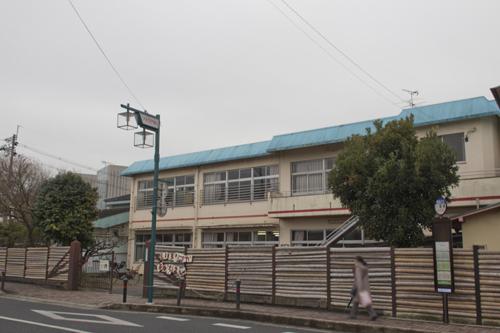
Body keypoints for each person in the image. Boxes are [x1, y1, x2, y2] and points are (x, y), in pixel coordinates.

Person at [350, 256, 377, 320]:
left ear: (358, 261)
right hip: (365, 287)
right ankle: (353, 315)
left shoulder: (358, 268)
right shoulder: (364, 268)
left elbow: (358, 279)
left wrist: (355, 288)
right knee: (356, 302)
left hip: (360, 288)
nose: (354, 262)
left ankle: (373, 314)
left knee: (365, 303)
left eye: (354, 261)